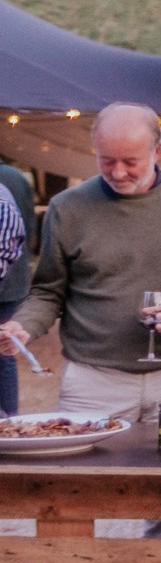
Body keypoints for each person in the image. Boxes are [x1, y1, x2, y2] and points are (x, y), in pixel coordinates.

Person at [0, 101, 161, 482]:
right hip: (93, 381)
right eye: (107, 160)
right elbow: (48, 291)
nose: (118, 172)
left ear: (158, 152)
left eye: (130, 161)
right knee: (75, 487)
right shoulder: (67, 207)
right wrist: (23, 325)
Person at [0, 159, 34, 416]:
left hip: (8, 281)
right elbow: (30, 227)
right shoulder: (17, 176)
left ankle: (7, 422)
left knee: (5, 351)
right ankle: (9, 418)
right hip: (15, 280)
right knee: (5, 355)